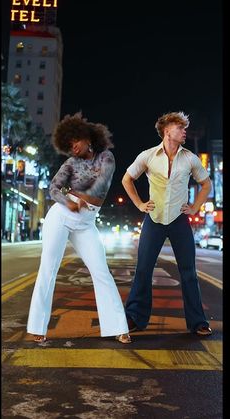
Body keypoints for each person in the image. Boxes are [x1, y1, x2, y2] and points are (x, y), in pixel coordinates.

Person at [27, 112, 131, 344]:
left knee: (101, 271)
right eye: (68, 144)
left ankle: (118, 327)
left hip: (86, 223)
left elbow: (100, 188)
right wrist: (70, 200)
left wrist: (77, 195)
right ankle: (37, 327)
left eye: (75, 140)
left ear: (87, 138)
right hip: (61, 217)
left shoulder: (106, 158)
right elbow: (54, 188)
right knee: (48, 268)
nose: (72, 146)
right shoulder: (70, 164)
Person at [122, 111, 212, 336]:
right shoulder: (149, 155)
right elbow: (127, 179)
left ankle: (198, 322)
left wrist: (194, 208)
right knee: (143, 269)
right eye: (180, 127)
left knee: (189, 272)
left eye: (185, 128)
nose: (184, 131)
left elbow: (206, 185)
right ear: (166, 130)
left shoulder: (190, 158)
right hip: (154, 219)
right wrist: (140, 204)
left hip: (179, 220)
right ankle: (135, 318)